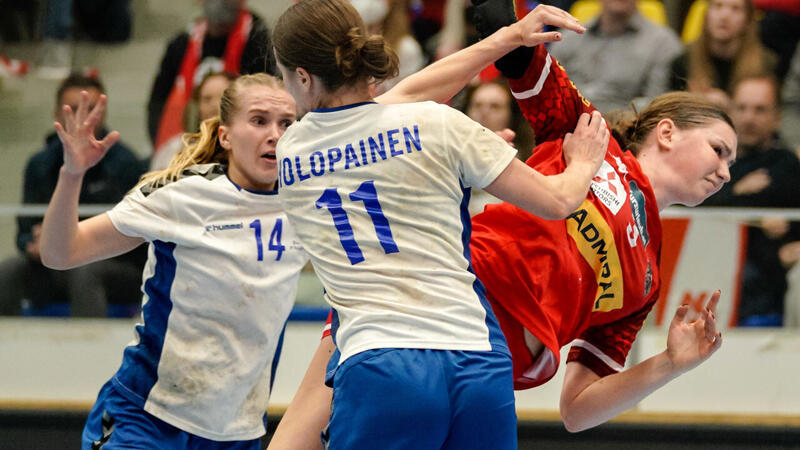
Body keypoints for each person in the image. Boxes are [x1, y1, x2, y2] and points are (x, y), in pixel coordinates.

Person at [268, 1, 727, 446]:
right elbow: (504, 41)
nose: (726, 172)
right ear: (667, 132)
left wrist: (670, 363)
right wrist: (507, 32)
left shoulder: (647, 280)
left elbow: (578, 409)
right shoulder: (589, 132)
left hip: (481, 351)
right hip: (419, 300)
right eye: (719, 149)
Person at [40, 73, 310, 448]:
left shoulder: (308, 203)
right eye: (259, 120)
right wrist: (72, 174)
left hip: (237, 430)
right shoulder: (183, 195)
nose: (275, 135)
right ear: (225, 136)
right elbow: (60, 253)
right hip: (147, 417)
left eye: (286, 123)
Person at [0, 73, 144, 317]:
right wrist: (33, 244)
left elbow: (138, 237)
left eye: (90, 109)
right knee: (7, 272)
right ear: (57, 113)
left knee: (84, 272)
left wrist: (76, 241)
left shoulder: (127, 163)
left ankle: (90, 351)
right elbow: (24, 230)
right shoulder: (40, 163)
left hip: (114, 266)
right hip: (52, 263)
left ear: (103, 112)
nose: (82, 119)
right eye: (74, 109)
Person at [702, 74, 800, 326]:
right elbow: (691, 205)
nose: (749, 118)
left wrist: (729, 194)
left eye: (760, 110)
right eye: (742, 108)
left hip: (765, 276)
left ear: (777, 116)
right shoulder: (709, 160)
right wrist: (738, 192)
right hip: (708, 265)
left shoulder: (786, 164)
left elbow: (773, 195)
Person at [147, 0, 273, 157]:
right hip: (192, 137)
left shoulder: (258, 39)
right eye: (207, 99)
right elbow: (158, 100)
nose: (219, 4)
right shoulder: (182, 43)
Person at [547, 0, 683, 113]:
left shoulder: (663, 43)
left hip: (626, 135)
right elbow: (549, 95)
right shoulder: (566, 39)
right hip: (566, 130)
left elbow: (656, 108)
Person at [669, 0, 777, 110]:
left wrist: (731, 108)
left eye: (736, 9)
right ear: (706, 15)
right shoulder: (684, 61)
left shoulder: (765, 64)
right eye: (718, 6)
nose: (725, 16)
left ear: (748, 20)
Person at [149, 71, 238, 170]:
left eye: (223, 97)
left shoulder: (249, 144)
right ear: (198, 107)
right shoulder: (176, 149)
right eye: (207, 99)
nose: (215, 105)